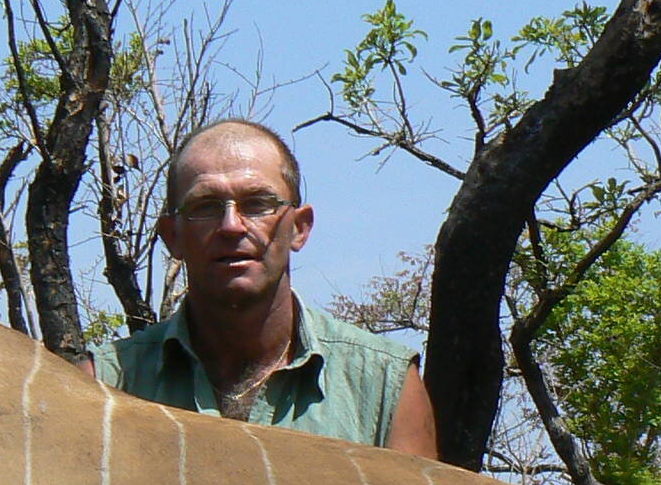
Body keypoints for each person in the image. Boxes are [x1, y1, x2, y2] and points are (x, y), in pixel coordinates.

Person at [93, 119, 439, 458]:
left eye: (258, 204)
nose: (231, 226)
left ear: (299, 229)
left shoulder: (383, 386)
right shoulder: (102, 385)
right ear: (173, 236)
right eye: (205, 207)